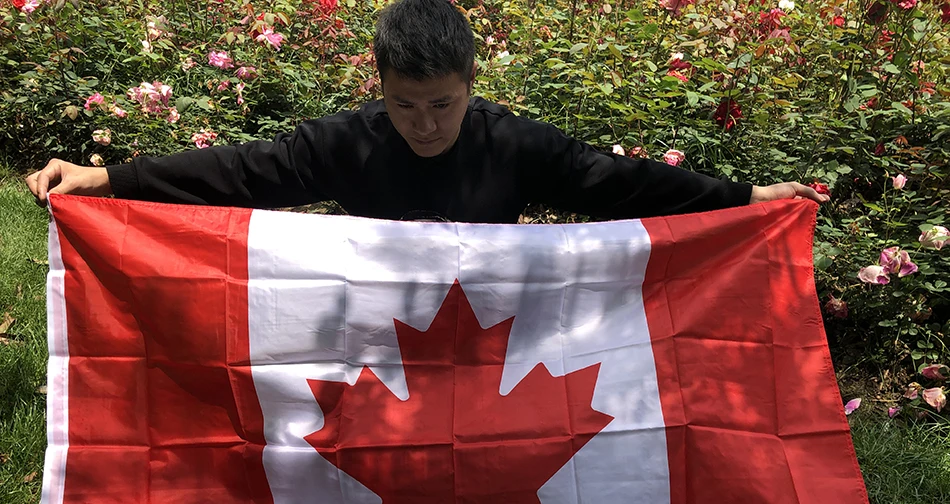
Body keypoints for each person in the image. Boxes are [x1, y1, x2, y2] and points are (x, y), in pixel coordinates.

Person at [25, 0, 828, 222]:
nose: (426, 124)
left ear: (473, 80)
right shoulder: (345, 142)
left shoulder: (517, 144)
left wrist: (745, 199)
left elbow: (619, 185)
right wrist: (106, 177)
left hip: (491, 337)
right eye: (404, 106)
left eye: (442, 104)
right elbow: (241, 171)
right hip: (373, 332)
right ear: (378, 84)